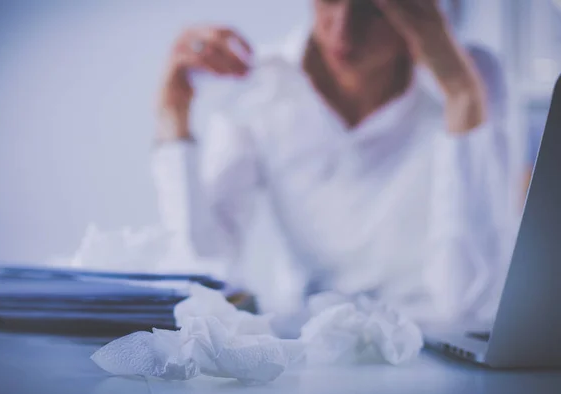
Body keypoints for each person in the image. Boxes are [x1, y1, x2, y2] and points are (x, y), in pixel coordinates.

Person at [152, 0, 515, 324]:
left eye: (373, 8)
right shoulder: (259, 87)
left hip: (434, 337)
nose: (343, 30)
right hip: (311, 337)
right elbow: (202, 268)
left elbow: (471, 301)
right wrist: (173, 115)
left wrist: (463, 96)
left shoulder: (469, 77)